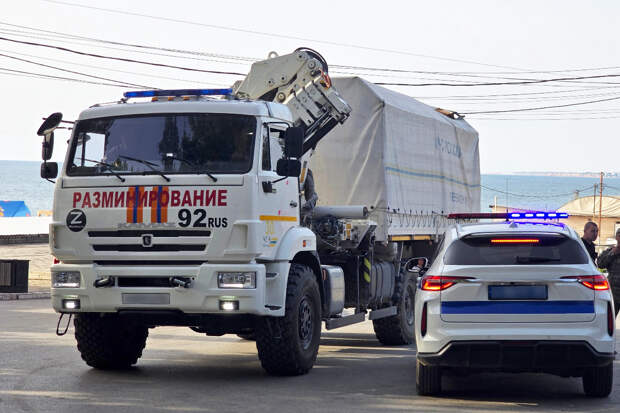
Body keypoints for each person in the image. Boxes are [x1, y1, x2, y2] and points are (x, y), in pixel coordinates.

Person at [598, 228, 620, 316]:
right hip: (614, 293)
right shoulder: (610, 251)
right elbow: (600, 264)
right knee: (609, 319)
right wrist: (612, 253)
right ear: (616, 237)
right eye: (619, 235)